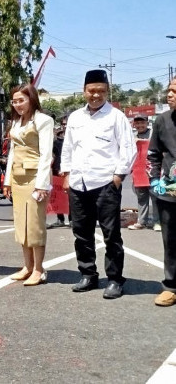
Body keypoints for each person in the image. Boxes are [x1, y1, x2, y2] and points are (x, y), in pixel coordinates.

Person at [60, 69, 136, 299]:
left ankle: (114, 279)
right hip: (78, 183)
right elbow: (68, 148)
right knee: (81, 232)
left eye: (101, 91)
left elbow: (128, 149)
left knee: (111, 234)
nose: (96, 95)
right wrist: (66, 174)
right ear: (84, 91)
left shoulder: (116, 117)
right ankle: (88, 274)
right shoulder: (75, 117)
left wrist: (118, 176)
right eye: (92, 91)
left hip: (105, 183)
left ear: (107, 92)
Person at [2, 84, 54, 286]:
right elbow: (12, 153)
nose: (17, 105)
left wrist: (42, 185)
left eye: (21, 100)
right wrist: (7, 180)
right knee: (21, 224)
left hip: (35, 178)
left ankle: (39, 269)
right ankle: (27, 266)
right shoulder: (16, 122)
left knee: (34, 225)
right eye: (14, 101)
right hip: (18, 178)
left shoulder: (43, 120)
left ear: (31, 99)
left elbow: (46, 155)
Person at [147, 78, 176, 306]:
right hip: (169, 191)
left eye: (175, 91)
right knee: (171, 241)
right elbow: (153, 154)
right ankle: (170, 286)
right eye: (169, 90)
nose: (169, 95)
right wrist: (155, 180)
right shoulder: (161, 120)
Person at [128, 114, 158, 230]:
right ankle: (142, 221)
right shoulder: (132, 136)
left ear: (147, 123)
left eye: (142, 123)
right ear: (134, 124)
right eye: (137, 123)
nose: (140, 125)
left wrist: (141, 141)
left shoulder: (153, 134)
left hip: (153, 170)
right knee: (141, 198)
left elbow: (158, 145)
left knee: (155, 197)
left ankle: (157, 222)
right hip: (138, 172)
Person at [47, 116, 71, 229]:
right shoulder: (57, 140)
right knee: (58, 197)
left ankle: (72, 220)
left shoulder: (75, 138)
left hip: (71, 172)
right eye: (63, 124)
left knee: (71, 197)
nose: (65, 126)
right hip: (57, 170)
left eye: (67, 123)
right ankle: (60, 219)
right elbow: (53, 155)